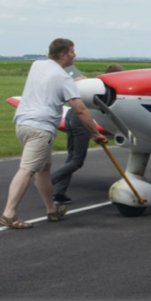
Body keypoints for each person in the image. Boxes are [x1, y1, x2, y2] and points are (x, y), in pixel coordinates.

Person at [0, 39, 107, 229]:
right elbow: (80, 109)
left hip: (23, 124)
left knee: (44, 169)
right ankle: (9, 214)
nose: (75, 55)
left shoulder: (37, 65)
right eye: (72, 52)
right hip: (41, 129)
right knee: (27, 170)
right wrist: (95, 133)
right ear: (63, 55)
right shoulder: (64, 78)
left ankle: (52, 210)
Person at [51, 64, 125, 205]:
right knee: (77, 160)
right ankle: (49, 181)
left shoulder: (95, 85)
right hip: (81, 119)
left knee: (71, 157)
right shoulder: (111, 90)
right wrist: (95, 133)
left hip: (70, 115)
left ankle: (59, 194)